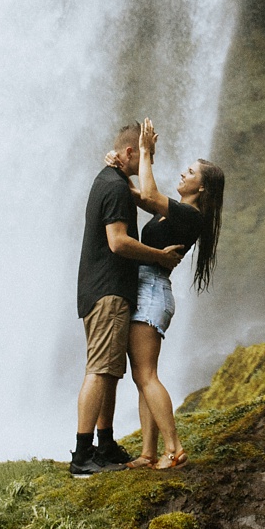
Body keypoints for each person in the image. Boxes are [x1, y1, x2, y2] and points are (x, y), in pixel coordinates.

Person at [107, 117, 225, 470]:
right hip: (148, 289)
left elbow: (148, 194)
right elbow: (139, 195)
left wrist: (144, 152)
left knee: (147, 375)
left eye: (190, 173)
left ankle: (173, 449)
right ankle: (148, 453)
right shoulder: (172, 213)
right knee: (143, 375)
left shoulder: (191, 215)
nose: (183, 175)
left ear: (201, 188)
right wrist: (117, 167)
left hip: (153, 291)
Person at [70, 123, 187, 477]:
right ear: (129, 153)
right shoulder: (116, 187)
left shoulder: (112, 180)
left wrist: (130, 160)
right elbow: (118, 242)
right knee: (100, 369)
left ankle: (103, 444)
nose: (149, 159)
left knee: (110, 372)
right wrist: (159, 257)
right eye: (145, 152)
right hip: (108, 292)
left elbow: (144, 196)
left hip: (104, 289)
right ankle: (82, 454)